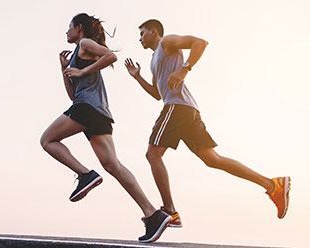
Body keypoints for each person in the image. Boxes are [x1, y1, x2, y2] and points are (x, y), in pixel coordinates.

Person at [124, 19, 291, 226]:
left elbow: (200, 43)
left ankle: (170, 212)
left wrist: (185, 69)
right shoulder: (154, 60)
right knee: (212, 159)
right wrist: (137, 77)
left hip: (177, 107)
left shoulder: (167, 42)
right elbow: (157, 94)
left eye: (142, 33)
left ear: (154, 31)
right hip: (186, 109)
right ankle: (273, 185)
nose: (139, 38)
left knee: (152, 154)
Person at [40, 14, 171, 243]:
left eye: (69, 27)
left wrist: (82, 71)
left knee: (47, 140)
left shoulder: (85, 43)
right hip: (96, 112)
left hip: (89, 110)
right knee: (114, 165)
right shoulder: (76, 56)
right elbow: (73, 95)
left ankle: (85, 174)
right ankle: (153, 215)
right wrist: (65, 70)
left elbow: (110, 56)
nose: (66, 32)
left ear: (79, 27)